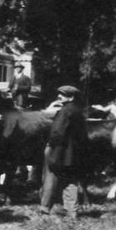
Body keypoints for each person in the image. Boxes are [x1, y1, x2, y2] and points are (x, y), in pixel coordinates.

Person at [40, 85, 88, 219]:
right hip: (73, 153)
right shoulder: (79, 111)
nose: (59, 96)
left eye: (62, 94)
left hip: (58, 150)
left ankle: (45, 210)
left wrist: (50, 146)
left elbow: (57, 132)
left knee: (50, 179)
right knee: (70, 181)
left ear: (71, 97)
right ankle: (72, 211)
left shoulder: (64, 111)